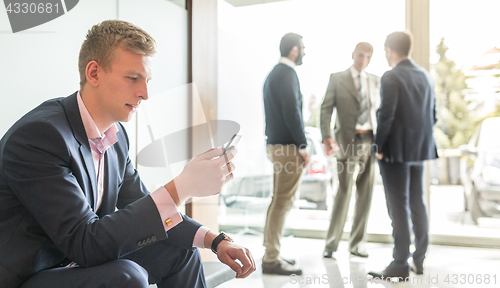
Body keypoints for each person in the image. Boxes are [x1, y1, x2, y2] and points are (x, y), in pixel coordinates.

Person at [0, 20, 255, 288]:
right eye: (133, 78)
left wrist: (216, 241)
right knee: (126, 276)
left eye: (147, 80)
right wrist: (182, 187)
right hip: (28, 276)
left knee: (181, 253)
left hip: (74, 262)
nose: (144, 93)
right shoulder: (39, 136)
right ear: (94, 73)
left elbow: (146, 207)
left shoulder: (116, 137)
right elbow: (85, 243)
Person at [368, 31, 438, 280]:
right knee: (417, 204)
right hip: (419, 151)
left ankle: (399, 263)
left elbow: (385, 115)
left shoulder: (391, 76)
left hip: (394, 152)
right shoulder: (426, 76)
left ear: (389, 50)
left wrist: (377, 146)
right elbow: (434, 115)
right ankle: (418, 259)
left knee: (398, 207)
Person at [320, 42, 380, 259]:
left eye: (368, 56)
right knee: (344, 192)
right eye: (361, 55)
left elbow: (379, 111)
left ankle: (356, 244)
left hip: (370, 140)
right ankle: (331, 243)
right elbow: (326, 108)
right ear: (353, 54)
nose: (363, 59)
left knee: (366, 194)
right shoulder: (337, 78)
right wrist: (327, 135)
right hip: (347, 141)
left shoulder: (375, 81)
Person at [261, 33, 310, 275]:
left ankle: (273, 252)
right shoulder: (288, 73)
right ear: (293, 50)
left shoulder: (273, 74)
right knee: (282, 202)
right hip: (288, 149)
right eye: (302, 48)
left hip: (275, 146)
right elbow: (292, 111)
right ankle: (271, 257)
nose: (304, 52)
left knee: (277, 201)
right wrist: (303, 144)